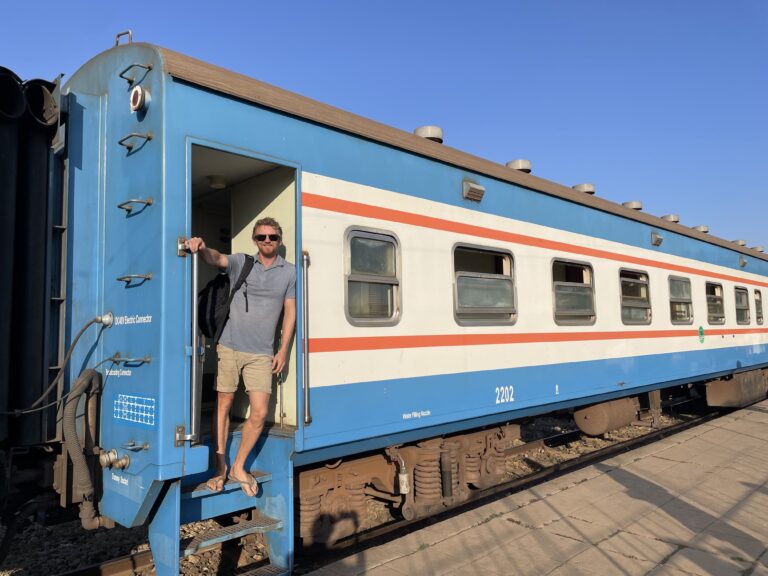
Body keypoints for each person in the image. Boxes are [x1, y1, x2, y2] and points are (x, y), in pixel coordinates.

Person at [186, 217, 296, 497]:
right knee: (224, 404)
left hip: (262, 353)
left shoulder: (290, 273)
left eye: (272, 237)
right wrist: (202, 248)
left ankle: (238, 466)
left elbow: (290, 312)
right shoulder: (241, 262)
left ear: (280, 240)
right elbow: (217, 259)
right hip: (230, 346)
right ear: (255, 240)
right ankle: (220, 467)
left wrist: (283, 349)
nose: (267, 241)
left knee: (259, 412)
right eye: (262, 237)